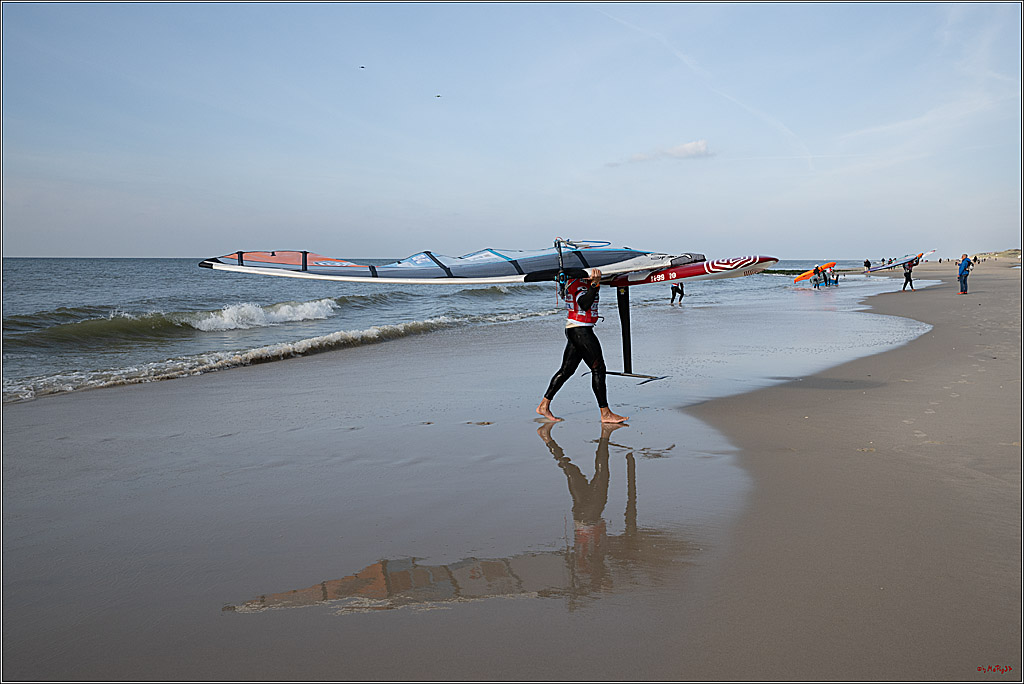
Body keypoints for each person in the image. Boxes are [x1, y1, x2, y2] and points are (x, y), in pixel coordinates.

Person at [537, 268, 628, 423]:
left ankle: (543, 406)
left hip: (576, 328)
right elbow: (584, 304)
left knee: (566, 371)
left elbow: (605, 281)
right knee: (598, 368)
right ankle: (606, 414)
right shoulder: (578, 283)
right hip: (580, 330)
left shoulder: (580, 281)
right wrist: (594, 285)